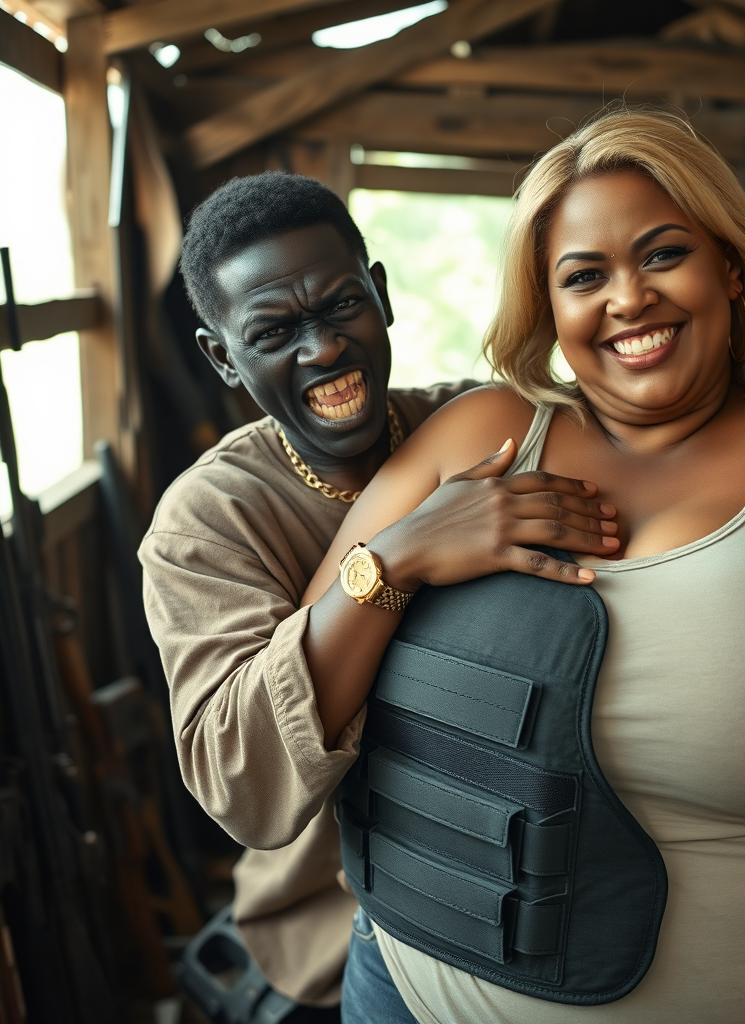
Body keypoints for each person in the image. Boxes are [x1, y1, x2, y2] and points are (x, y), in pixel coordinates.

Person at [298, 108, 745, 1024]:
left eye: (663, 253)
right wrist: (397, 554)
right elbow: (301, 691)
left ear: (731, 267)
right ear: (549, 311)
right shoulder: (481, 438)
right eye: (584, 276)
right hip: (416, 995)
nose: (627, 298)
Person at [138, 172, 617, 1011]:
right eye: (276, 330)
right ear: (222, 356)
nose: (322, 349)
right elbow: (240, 779)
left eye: (338, 307)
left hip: (521, 902)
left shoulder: (480, 430)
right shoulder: (207, 522)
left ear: (382, 295)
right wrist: (396, 560)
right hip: (340, 937)